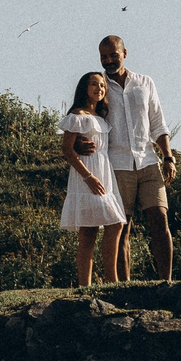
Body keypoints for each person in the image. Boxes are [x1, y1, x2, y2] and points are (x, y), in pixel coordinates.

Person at [94, 34, 174, 282]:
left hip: (148, 161)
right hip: (116, 165)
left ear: (124, 53)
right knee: (122, 228)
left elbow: (158, 124)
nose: (108, 61)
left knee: (160, 220)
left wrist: (168, 157)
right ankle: (125, 286)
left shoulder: (145, 83)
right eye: (104, 57)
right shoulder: (99, 87)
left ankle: (166, 283)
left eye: (113, 55)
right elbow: (85, 117)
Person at [57, 71, 125, 284]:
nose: (99, 89)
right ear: (84, 88)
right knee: (93, 230)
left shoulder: (101, 118)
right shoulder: (77, 116)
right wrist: (88, 177)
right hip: (87, 174)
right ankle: (92, 284)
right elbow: (67, 150)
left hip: (105, 173)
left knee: (110, 225)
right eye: (94, 84)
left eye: (102, 85)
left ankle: (106, 282)